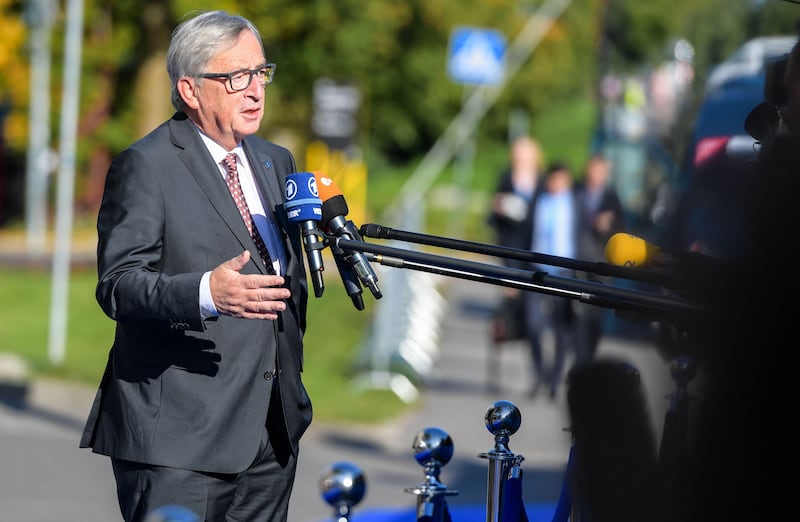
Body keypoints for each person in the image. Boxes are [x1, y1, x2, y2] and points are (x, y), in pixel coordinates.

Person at [79, 11, 312, 522]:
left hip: (269, 436)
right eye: (235, 78)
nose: (255, 91)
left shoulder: (277, 161)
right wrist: (208, 292)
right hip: (178, 443)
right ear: (189, 89)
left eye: (260, 73)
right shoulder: (148, 164)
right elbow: (118, 286)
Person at [520, 162, 577, 399]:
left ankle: (555, 380)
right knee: (533, 324)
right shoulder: (538, 201)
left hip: (565, 271)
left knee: (562, 330)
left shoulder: (577, 203)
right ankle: (538, 373)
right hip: (537, 268)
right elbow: (524, 235)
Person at [486, 136, 543, 348]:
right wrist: (499, 205)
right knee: (511, 302)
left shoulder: (542, 180)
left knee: (533, 310)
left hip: (535, 248)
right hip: (511, 246)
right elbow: (493, 214)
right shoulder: (506, 177)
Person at [571, 153, 625, 365]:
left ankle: (588, 358)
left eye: (600, 171)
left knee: (596, 316)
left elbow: (622, 232)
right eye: (592, 169)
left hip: (601, 266)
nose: (595, 174)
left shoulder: (612, 198)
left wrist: (608, 226)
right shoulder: (577, 191)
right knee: (576, 315)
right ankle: (579, 358)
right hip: (577, 262)